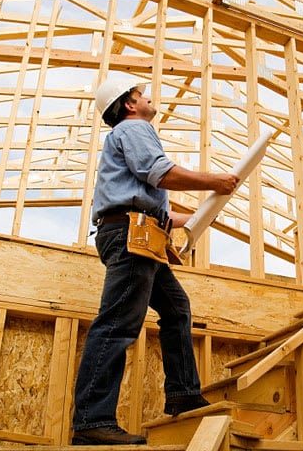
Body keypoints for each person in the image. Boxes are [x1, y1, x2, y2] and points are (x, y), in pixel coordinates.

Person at [71, 77, 240, 445]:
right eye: (141, 95)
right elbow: (161, 174)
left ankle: (182, 393)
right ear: (130, 105)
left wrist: (198, 218)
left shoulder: (126, 135)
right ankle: (91, 420)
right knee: (117, 324)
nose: (148, 98)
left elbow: (152, 204)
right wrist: (216, 183)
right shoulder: (134, 129)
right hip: (131, 234)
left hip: (140, 233)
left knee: (176, 308)